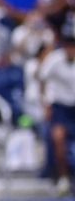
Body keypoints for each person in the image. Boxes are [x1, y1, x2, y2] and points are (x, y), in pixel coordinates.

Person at [37, 20, 75, 195]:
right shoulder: (54, 59)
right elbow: (41, 78)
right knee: (58, 138)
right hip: (60, 106)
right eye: (68, 45)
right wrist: (45, 103)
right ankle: (63, 177)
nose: (70, 49)